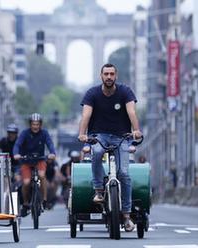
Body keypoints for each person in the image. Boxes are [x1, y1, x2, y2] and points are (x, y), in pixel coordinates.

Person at [78, 63, 143, 232]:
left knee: (124, 174)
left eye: (111, 74)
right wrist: (82, 134)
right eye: (106, 74)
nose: (108, 77)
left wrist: (136, 130)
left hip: (122, 136)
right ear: (101, 76)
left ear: (116, 76)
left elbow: (132, 113)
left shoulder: (125, 92)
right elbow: (86, 114)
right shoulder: (92, 93)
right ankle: (98, 190)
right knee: (97, 152)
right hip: (99, 135)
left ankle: (127, 216)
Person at [13, 113, 56, 217]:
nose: (35, 126)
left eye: (37, 124)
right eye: (33, 124)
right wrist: (16, 154)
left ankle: (44, 200)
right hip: (26, 160)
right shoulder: (24, 133)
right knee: (26, 182)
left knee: (41, 176)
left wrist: (52, 153)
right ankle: (26, 204)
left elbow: (50, 144)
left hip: (40, 160)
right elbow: (17, 144)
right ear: (30, 124)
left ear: (40, 125)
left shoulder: (44, 133)